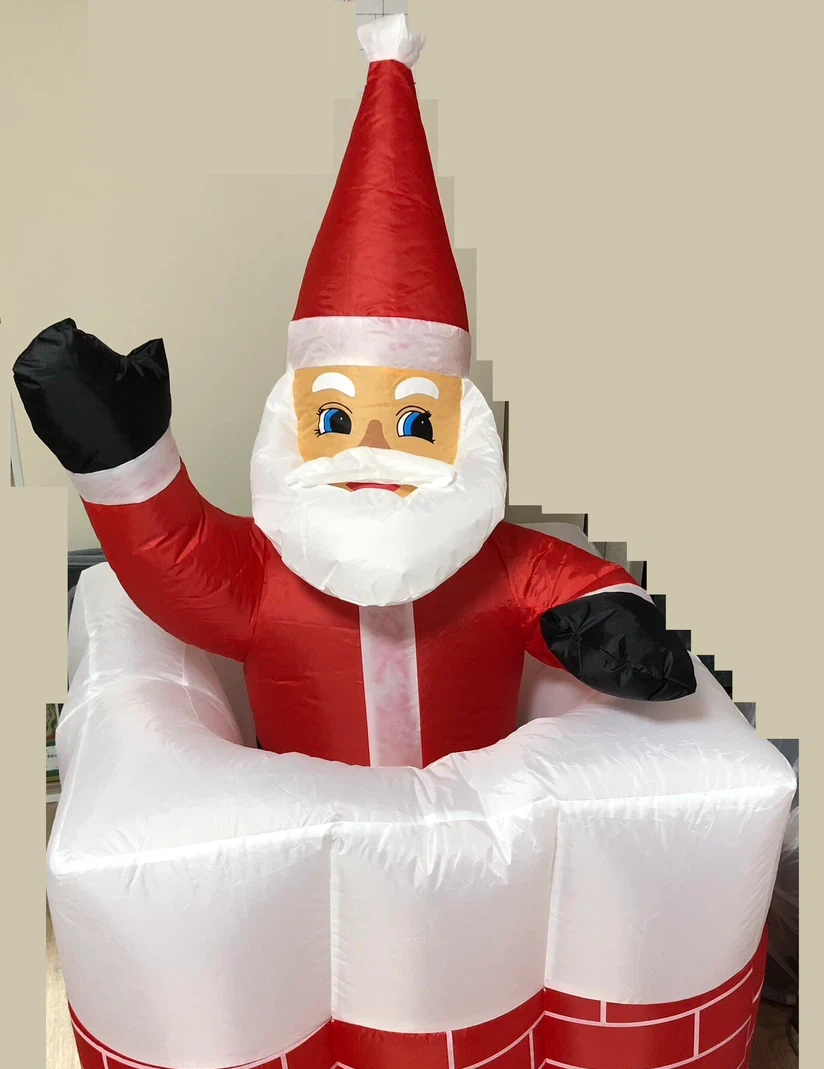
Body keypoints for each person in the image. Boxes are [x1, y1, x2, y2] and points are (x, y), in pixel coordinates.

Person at [13, 13, 695, 769]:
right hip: (314, 822)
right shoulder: (262, 573)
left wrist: (613, 620)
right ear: (298, 422)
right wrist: (125, 453)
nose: (372, 447)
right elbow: (178, 562)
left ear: (460, 429)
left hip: (479, 815)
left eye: (413, 421)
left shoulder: (499, 566)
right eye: (336, 416)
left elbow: (567, 585)